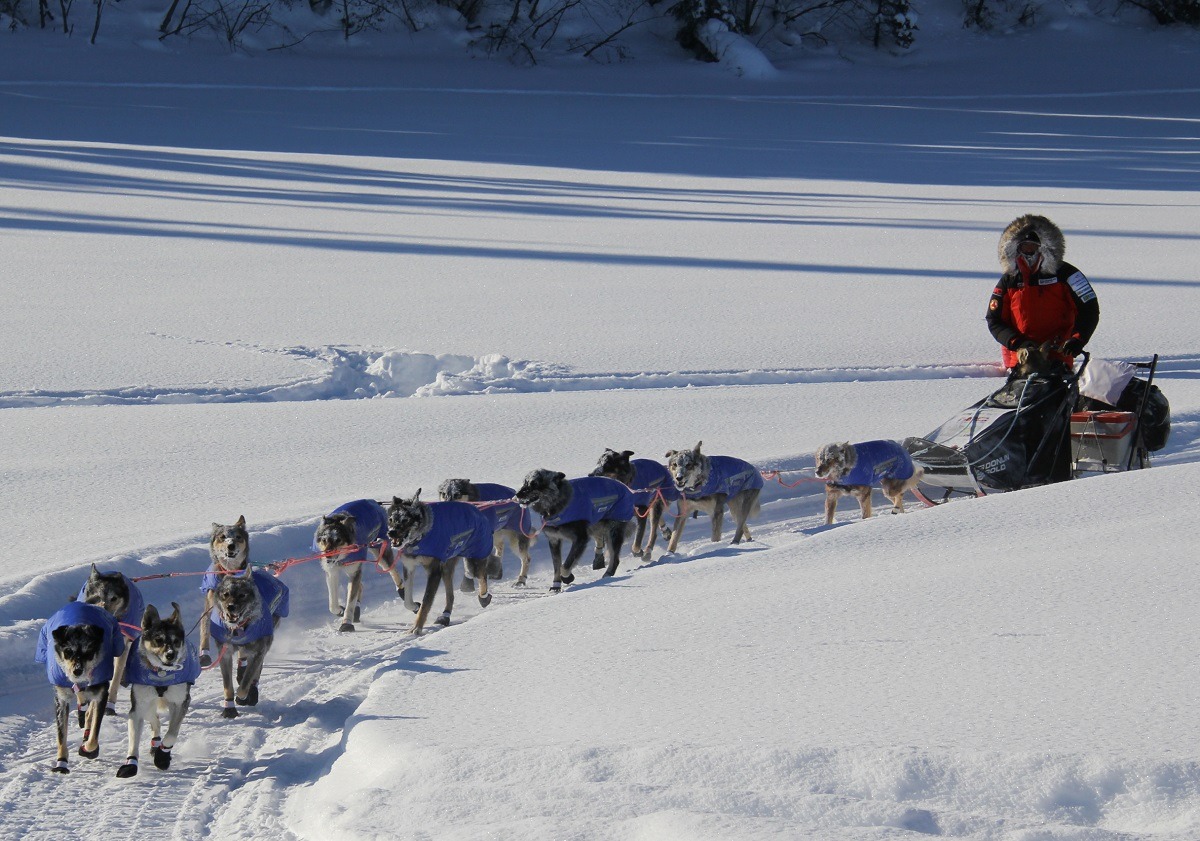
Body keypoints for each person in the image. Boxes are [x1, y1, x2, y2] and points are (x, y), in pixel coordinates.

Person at [986, 214, 1099, 373]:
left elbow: (1089, 308)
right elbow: (994, 319)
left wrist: (1077, 339)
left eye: (1034, 247)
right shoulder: (1009, 280)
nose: (1029, 252)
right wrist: (1018, 343)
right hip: (1020, 358)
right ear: (1015, 248)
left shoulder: (1067, 274)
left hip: (1057, 355)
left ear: (1045, 247)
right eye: (1025, 247)